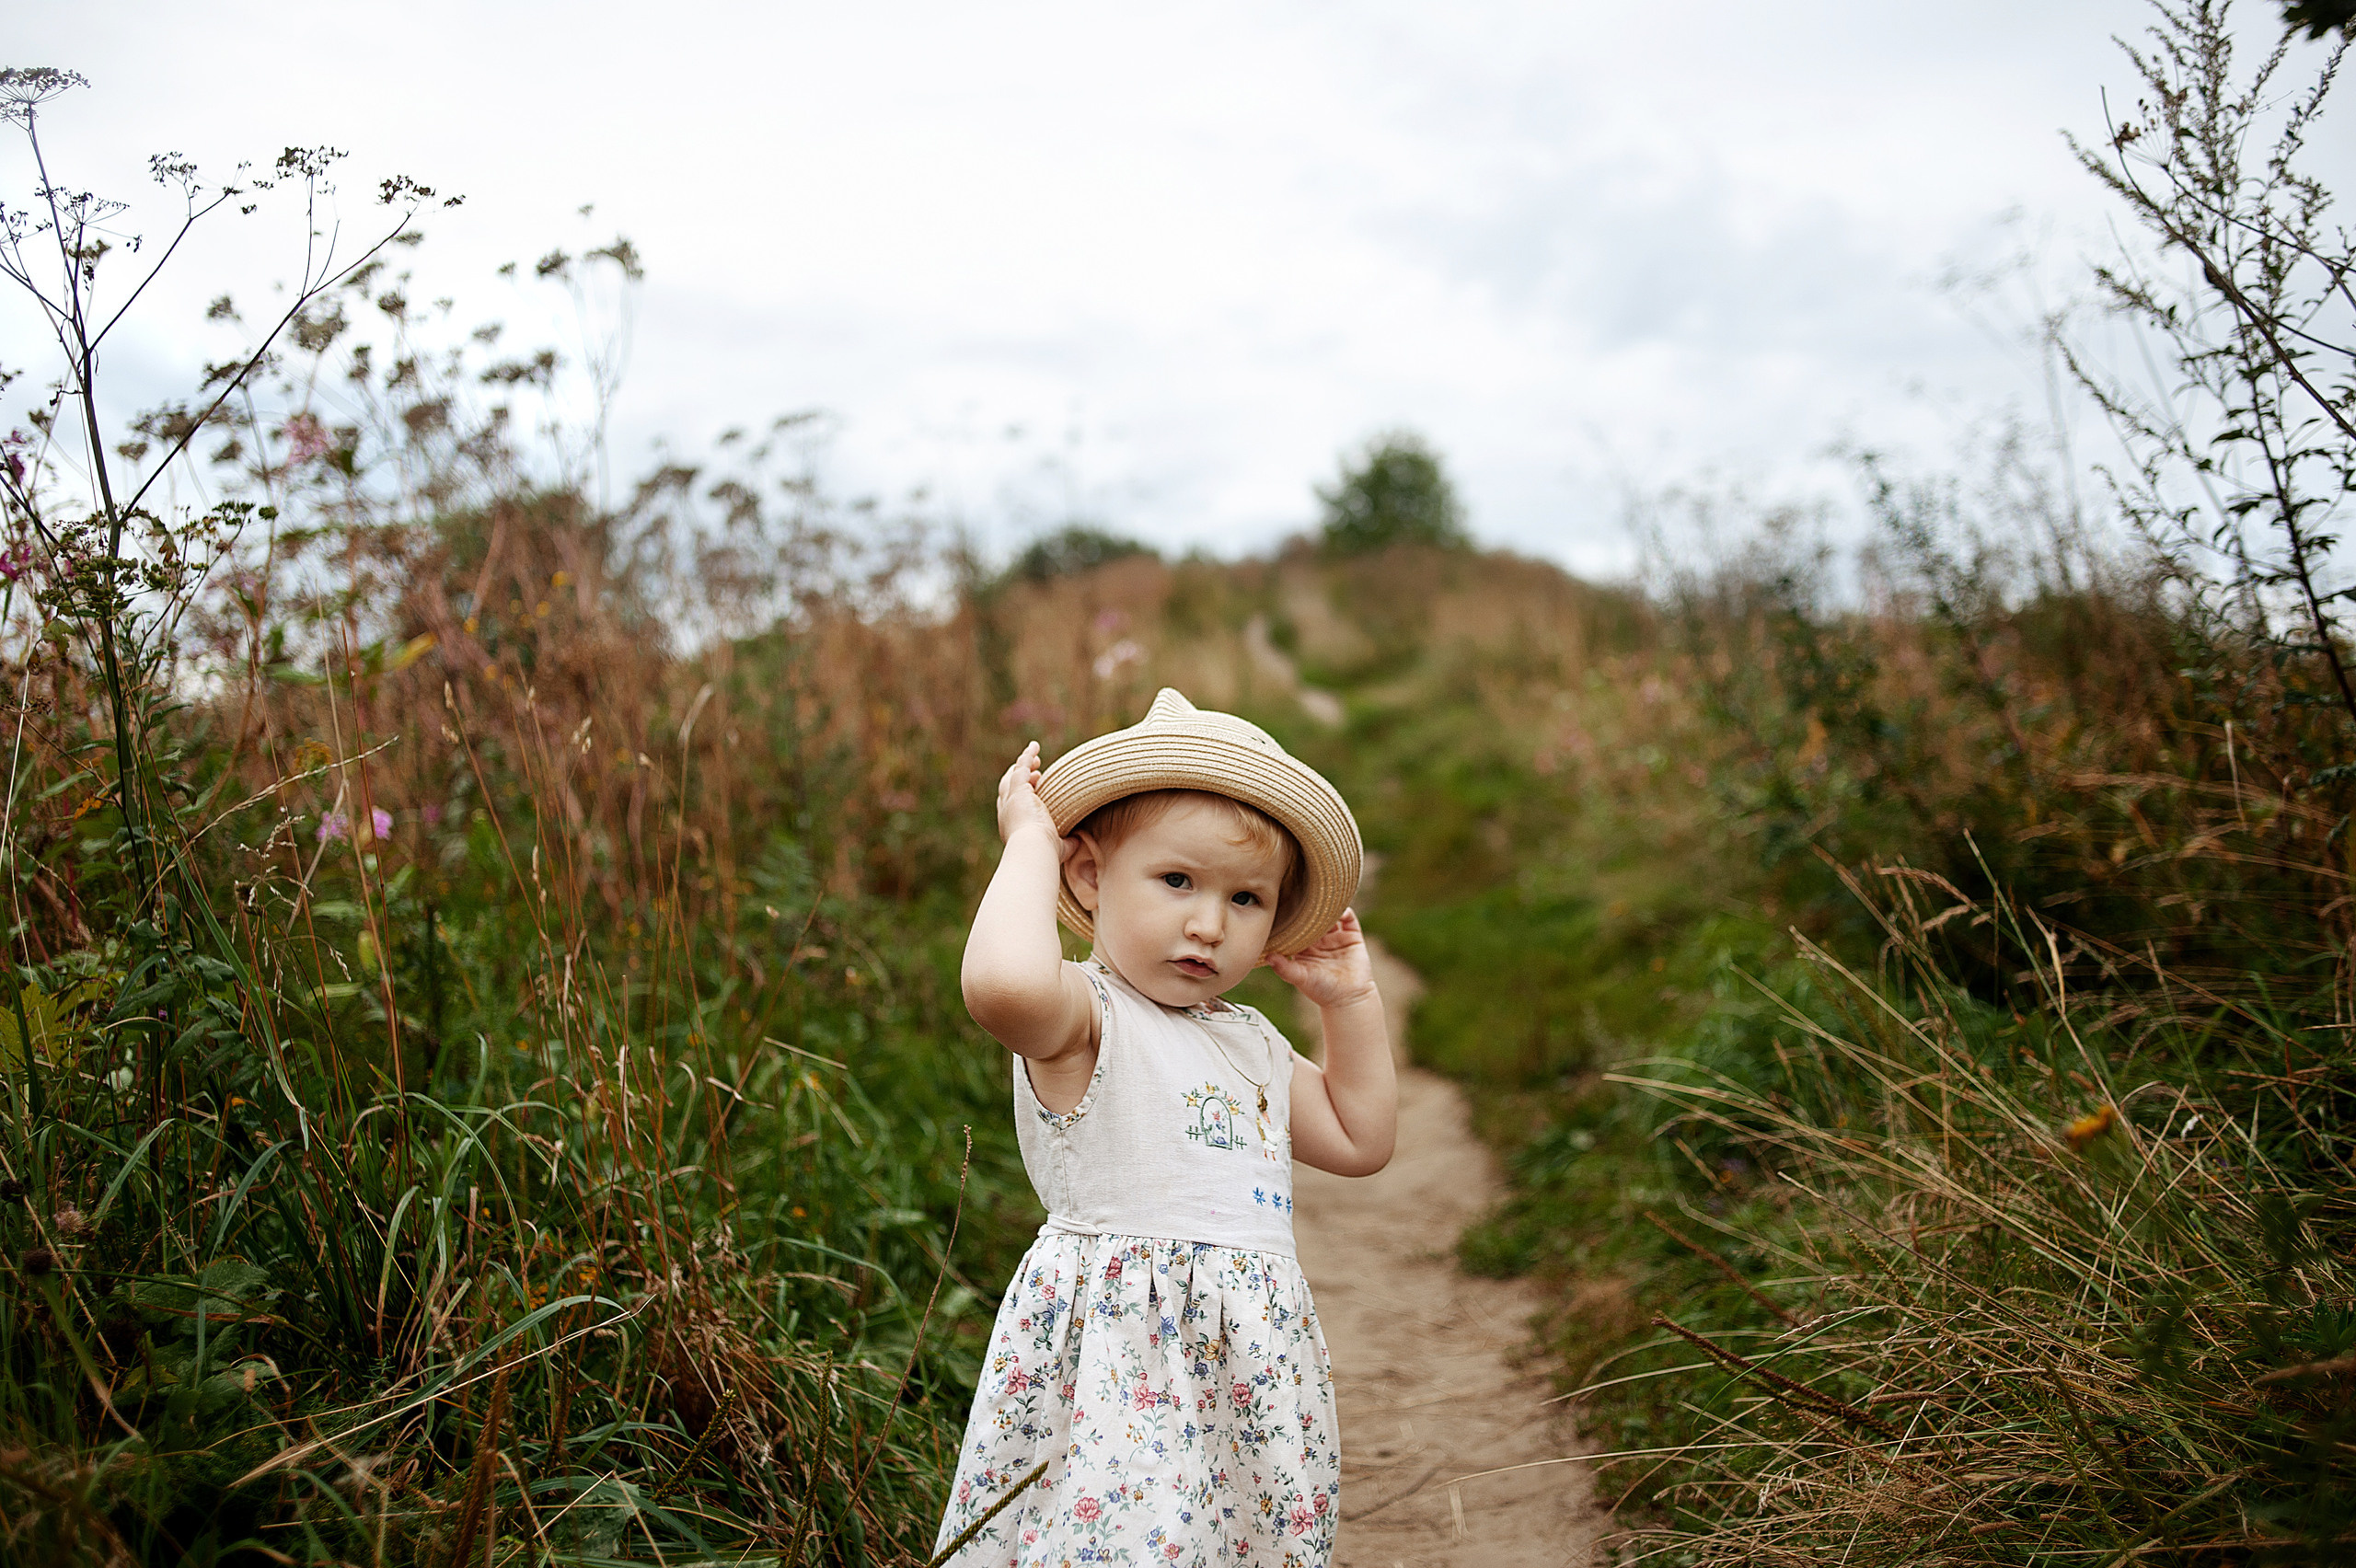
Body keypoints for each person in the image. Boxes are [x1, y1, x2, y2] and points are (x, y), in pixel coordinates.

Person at [933, 688, 1399, 1568]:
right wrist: (1030, 845)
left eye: (1247, 898)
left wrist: (1353, 1002)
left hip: (1247, 1369)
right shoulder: (1086, 1016)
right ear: (1090, 877)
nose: (1208, 923)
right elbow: (1002, 990)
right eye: (1176, 880)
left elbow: (1359, 1138)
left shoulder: (1251, 1044)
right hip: (1121, 1366)